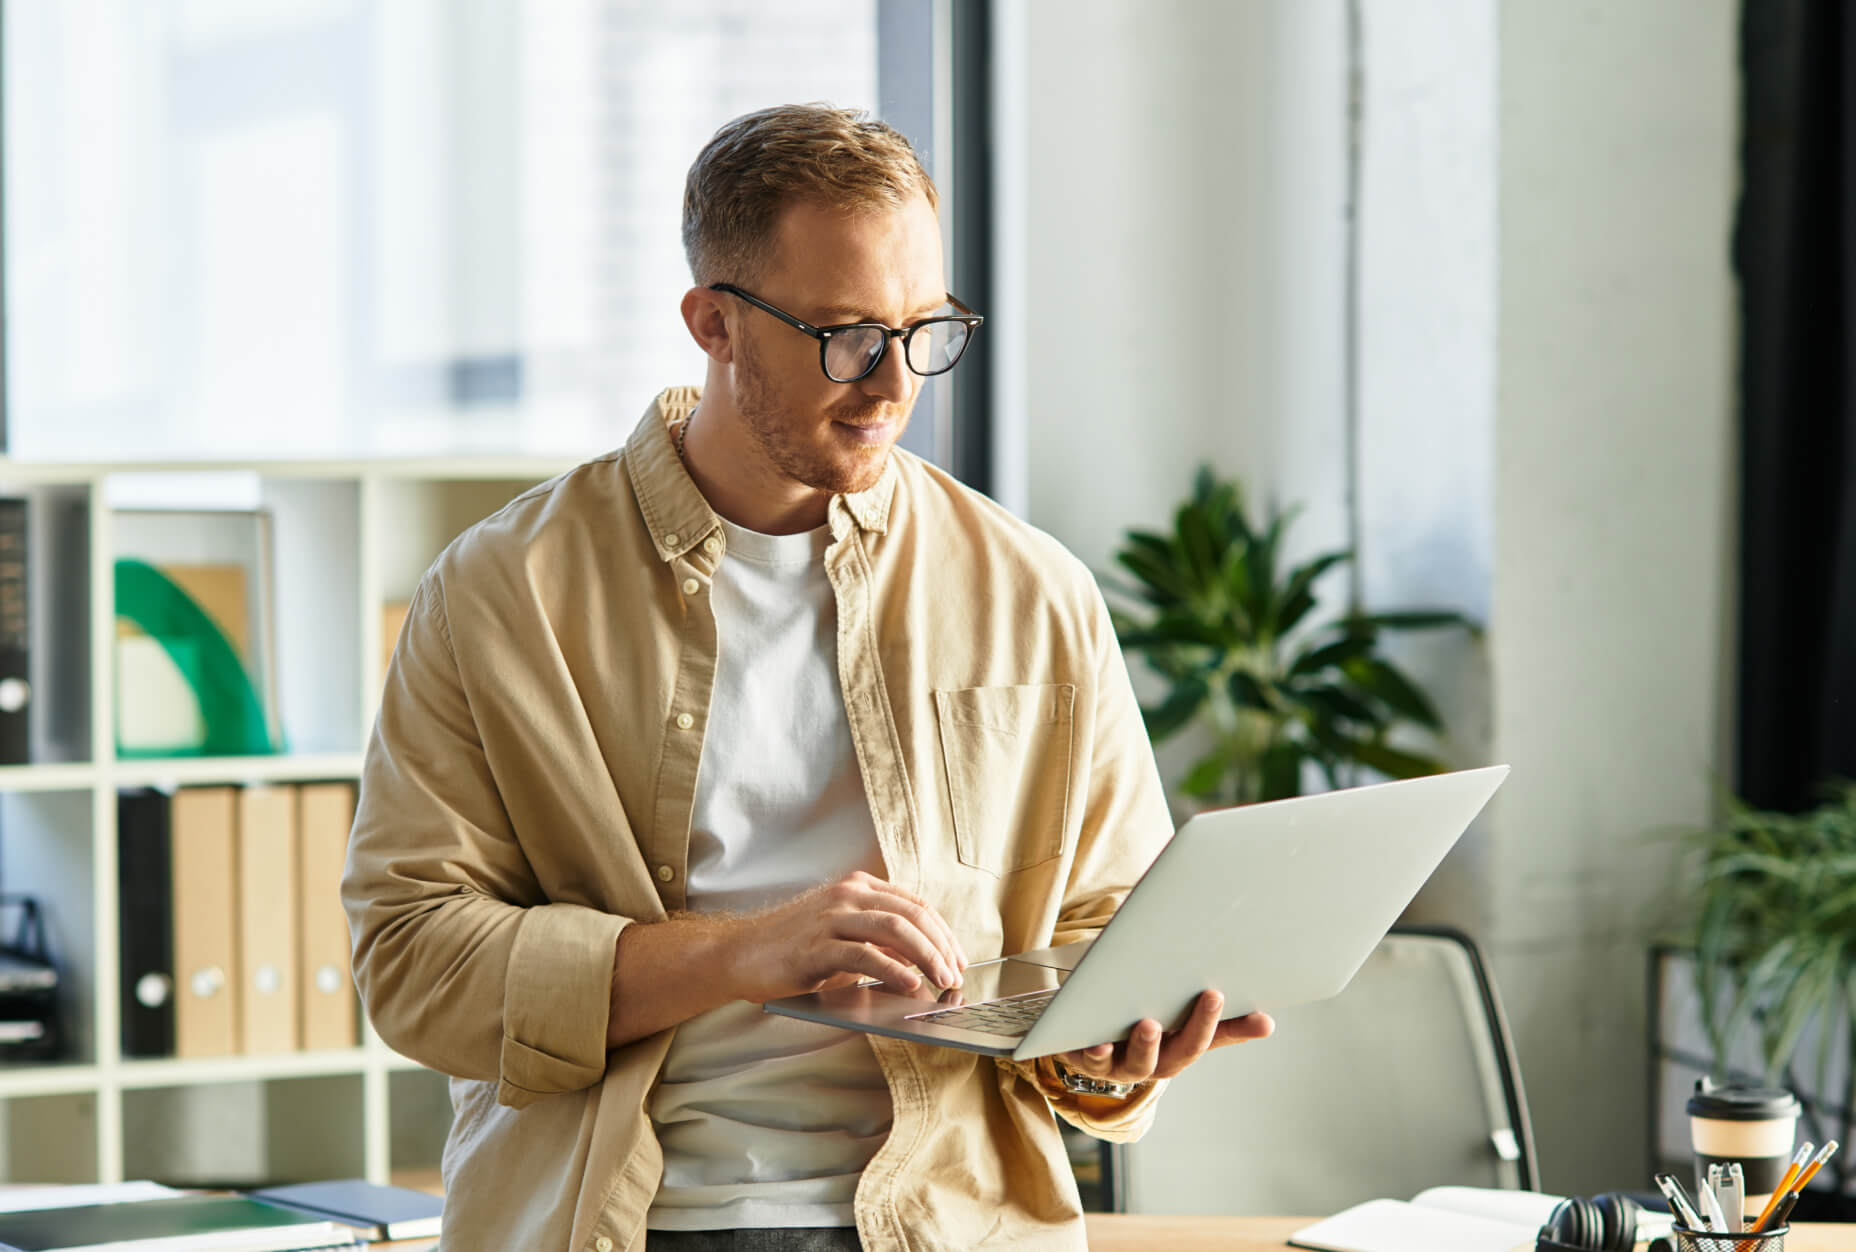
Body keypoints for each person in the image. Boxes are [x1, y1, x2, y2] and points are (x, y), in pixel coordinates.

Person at [343, 103, 1273, 1252]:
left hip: (949, 1228)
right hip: (629, 1224)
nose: (891, 384)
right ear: (714, 325)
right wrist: (740, 954)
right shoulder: (502, 592)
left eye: (925, 329)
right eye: (845, 336)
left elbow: (1103, 921)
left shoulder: (1034, 590)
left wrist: (1104, 1050)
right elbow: (412, 959)